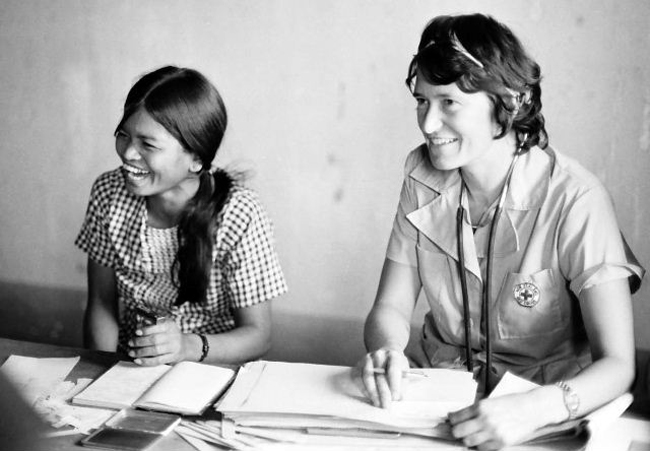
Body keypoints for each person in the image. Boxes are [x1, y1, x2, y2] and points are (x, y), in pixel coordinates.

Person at [355, 13, 644, 449]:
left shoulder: (576, 199)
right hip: (435, 409)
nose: (428, 124)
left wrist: (534, 410)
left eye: (449, 102)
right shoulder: (420, 177)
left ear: (508, 102)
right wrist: (388, 350)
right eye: (422, 101)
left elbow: (619, 365)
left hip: (541, 421)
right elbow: (390, 309)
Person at [75, 66, 287, 366]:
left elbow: (258, 336)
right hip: (130, 368)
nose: (128, 154)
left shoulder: (240, 213)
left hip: (210, 372)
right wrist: (104, 377)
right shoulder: (108, 193)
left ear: (196, 159)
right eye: (123, 135)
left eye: (148, 144)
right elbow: (101, 304)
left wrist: (186, 348)